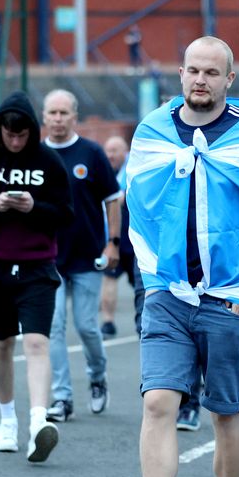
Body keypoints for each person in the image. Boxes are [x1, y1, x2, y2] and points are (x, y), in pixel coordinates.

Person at [109, 36, 239, 477]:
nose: (200, 80)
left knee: (225, 413)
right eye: (192, 70)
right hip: (166, 293)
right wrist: (151, 277)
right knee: (158, 403)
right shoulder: (154, 132)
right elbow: (138, 205)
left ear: (230, 79)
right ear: (179, 74)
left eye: (212, 71)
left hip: (228, 297)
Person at [0, 91, 74, 462]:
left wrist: (34, 206)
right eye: (10, 135)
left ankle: (39, 422)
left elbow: (65, 214)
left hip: (38, 265)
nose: (17, 142)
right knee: (1, 344)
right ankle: (7, 420)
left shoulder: (48, 161)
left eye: (22, 135)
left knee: (37, 342)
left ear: (32, 131)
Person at [42, 90, 122, 422]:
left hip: (87, 256)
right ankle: (62, 397)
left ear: (75, 116)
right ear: (44, 117)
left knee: (87, 326)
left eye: (64, 113)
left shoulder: (91, 153)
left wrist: (113, 242)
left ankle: (97, 377)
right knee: (54, 327)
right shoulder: (35, 155)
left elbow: (113, 199)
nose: (58, 119)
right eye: (52, 113)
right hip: (47, 257)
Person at [98, 136, 136, 339]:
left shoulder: (133, 168)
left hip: (134, 240)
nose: (110, 155)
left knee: (141, 284)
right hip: (113, 239)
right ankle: (107, 322)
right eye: (108, 151)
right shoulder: (103, 171)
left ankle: (146, 320)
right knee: (109, 278)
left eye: (115, 150)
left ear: (125, 152)